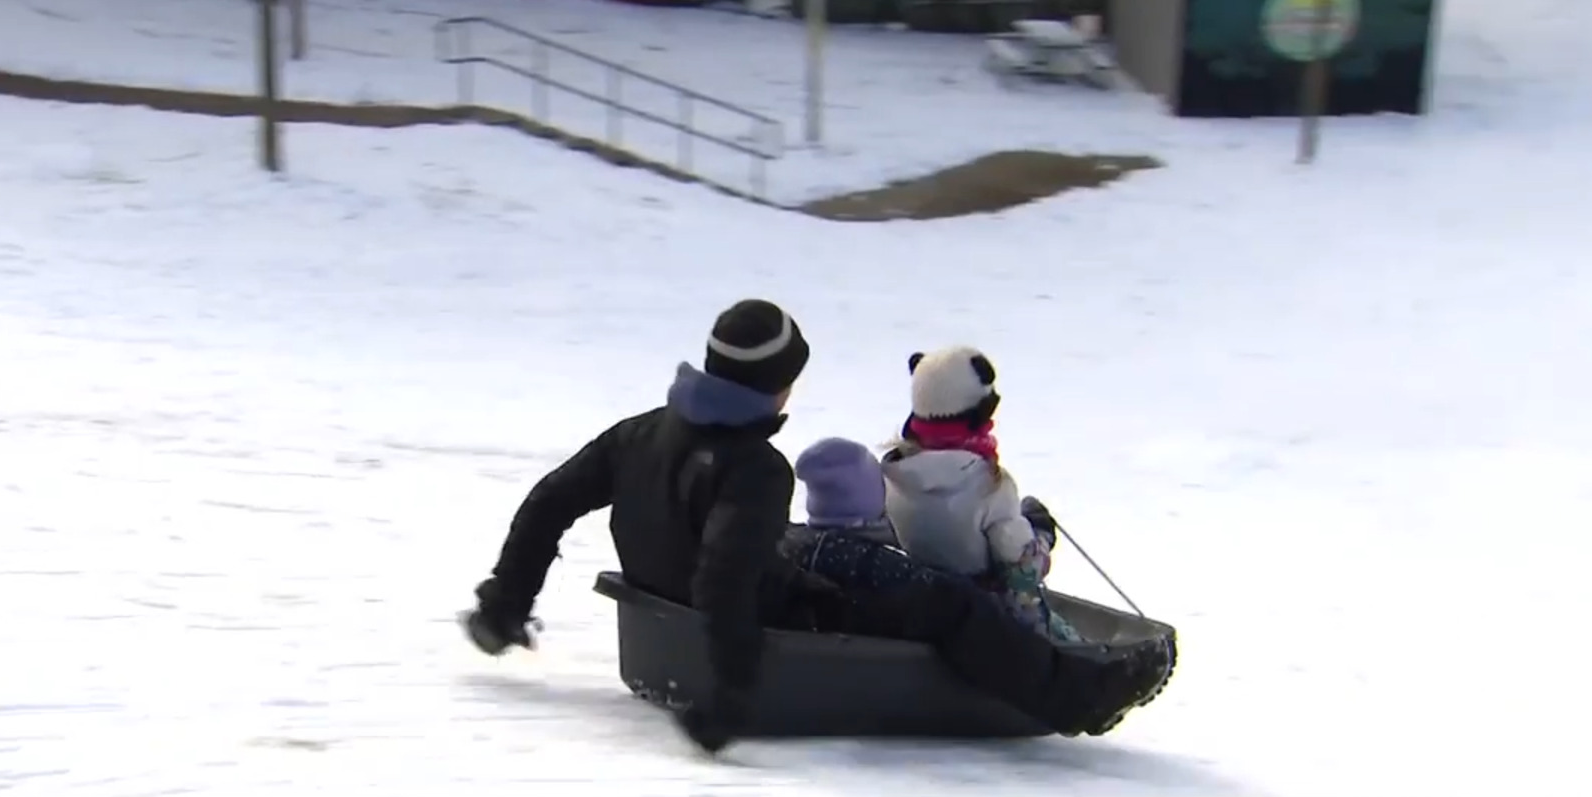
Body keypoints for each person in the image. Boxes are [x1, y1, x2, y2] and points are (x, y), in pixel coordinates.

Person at [463, 298, 840, 755]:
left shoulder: (641, 434)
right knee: (888, 584)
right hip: (778, 622)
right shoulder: (757, 469)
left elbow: (549, 502)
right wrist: (731, 695)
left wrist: (506, 603)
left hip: (660, 608)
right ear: (777, 384)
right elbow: (725, 577)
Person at [782, 437, 1172, 735]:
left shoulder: (805, 541)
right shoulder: (868, 561)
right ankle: (1078, 698)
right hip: (866, 623)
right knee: (962, 607)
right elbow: (934, 588)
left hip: (834, 613)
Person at [879, 346, 1080, 642]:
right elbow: (1022, 572)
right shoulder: (987, 487)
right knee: (1067, 646)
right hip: (993, 622)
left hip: (926, 607)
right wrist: (1040, 534)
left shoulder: (895, 475)